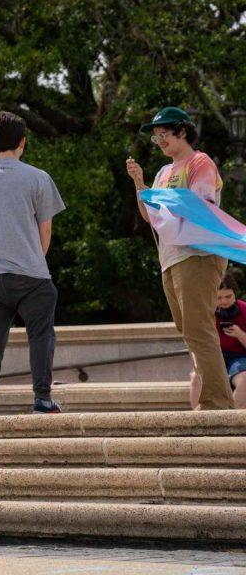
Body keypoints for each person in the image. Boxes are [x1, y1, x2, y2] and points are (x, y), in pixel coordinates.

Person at [0, 111, 66, 416]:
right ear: (23, 142)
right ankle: (42, 398)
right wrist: (35, 258)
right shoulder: (38, 178)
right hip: (32, 273)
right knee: (41, 336)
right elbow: (46, 229)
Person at [127, 106, 234, 410]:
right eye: (156, 137)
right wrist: (140, 183)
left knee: (198, 329)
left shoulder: (199, 162)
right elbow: (149, 216)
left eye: (163, 134)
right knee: (188, 331)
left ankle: (217, 404)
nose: (159, 140)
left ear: (182, 132)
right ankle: (212, 399)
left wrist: (160, 199)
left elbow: (199, 205)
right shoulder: (162, 173)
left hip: (198, 255)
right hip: (171, 258)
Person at [188, 272, 246, 410]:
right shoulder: (206, 312)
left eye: (228, 296)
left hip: (239, 358)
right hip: (213, 356)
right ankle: (198, 422)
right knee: (196, 378)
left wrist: (240, 334)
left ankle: (230, 420)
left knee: (245, 379)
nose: (224, 302)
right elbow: (195, 343)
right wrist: (198, 364)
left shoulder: (244, 309)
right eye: (219, 298)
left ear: (235, 294)